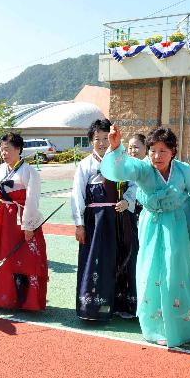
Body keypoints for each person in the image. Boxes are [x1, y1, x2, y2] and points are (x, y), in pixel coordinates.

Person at [101, 126, 190, 347]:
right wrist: (116, 146)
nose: (157, 156)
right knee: (152, 272)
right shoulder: (143, 169)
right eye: (153, 150)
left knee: (176, 272)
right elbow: (119, 170)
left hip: (179, 226)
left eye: (163, 151)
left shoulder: (182, 171)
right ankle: (157, 327)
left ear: (173, 151)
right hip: (153, 226)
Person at [72, 119, 139, 321]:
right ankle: (93, 308)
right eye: (96, 139)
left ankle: (123, 305)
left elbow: (134, 183)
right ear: (91, 141)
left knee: (124, 257)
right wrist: (79, 224)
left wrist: (128, 201)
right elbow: (77, 195)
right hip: (96, 222)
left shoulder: (123, 161)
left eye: (105, 138)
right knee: (97, 260)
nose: (101, 143)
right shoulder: (85, 165)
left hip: (121, 219)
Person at [0, 132, 48, 311]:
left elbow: (32, 200)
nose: (4, 153)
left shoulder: (29, 172)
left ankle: (26, 300)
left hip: (22, 220)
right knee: (2, 257)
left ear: (18, 149)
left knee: (25, 259)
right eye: (2, 150)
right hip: (3, 220)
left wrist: (29, 226)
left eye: (8, 149)